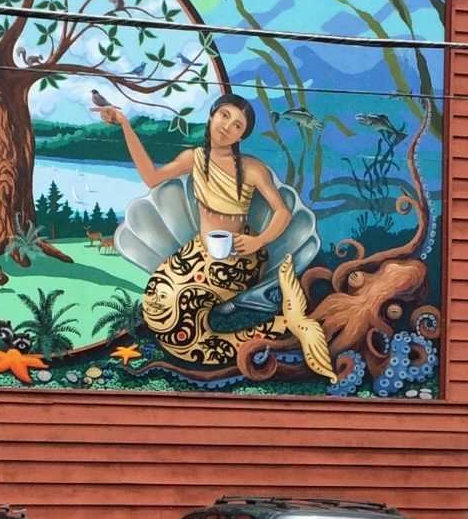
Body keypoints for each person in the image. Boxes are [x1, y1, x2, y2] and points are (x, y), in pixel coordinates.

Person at [96, 91, 329, 375]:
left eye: (237, 125)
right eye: (224, 116)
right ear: (212, 116)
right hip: (200, 251)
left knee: (182, 308)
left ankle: (281, 324)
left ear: (241, 136)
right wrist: (124, 124)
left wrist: (259, 240)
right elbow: (151, 177)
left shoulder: (252, 168)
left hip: (240, 256)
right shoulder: (193, 158)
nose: (227, 127)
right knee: (157, 305)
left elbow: (283, 212)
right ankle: (279, 324)